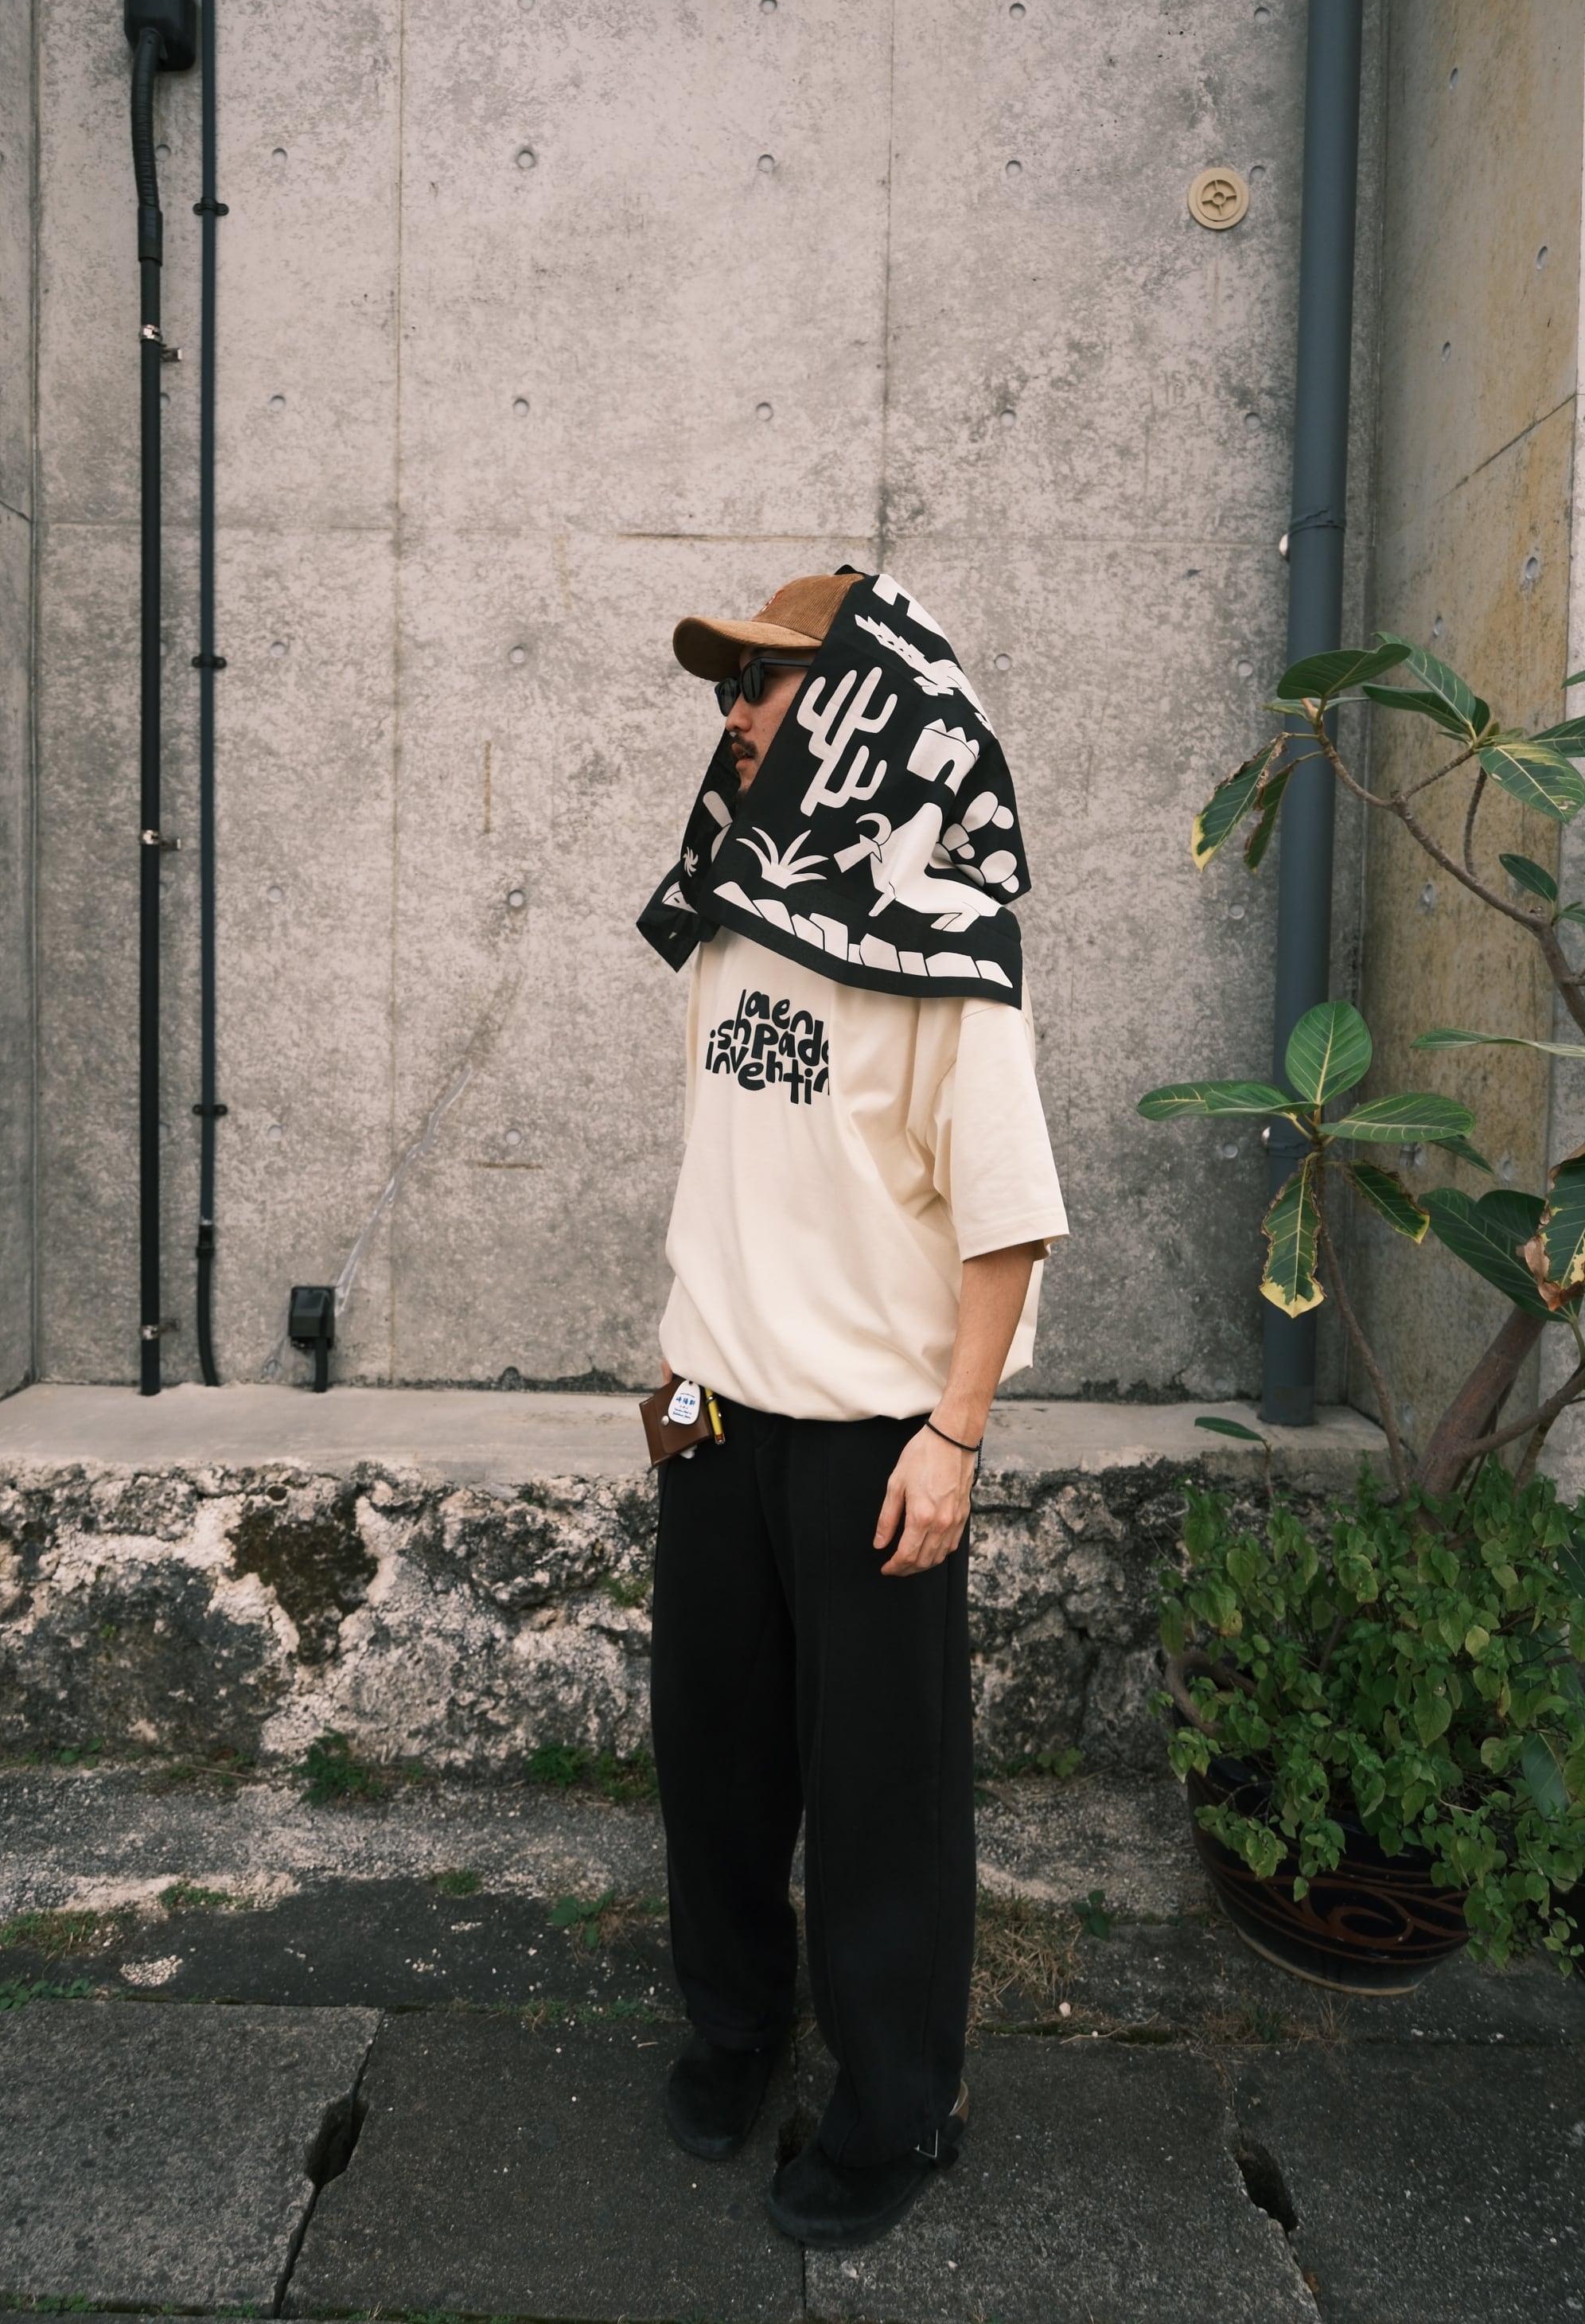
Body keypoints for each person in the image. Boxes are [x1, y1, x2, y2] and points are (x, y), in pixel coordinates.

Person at [636, 568, 1068, 2249]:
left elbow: (1006, 1219)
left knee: (882, 1797)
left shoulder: (949, 945)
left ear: (862, 711)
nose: (735, 717)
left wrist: (954, 1437)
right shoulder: (729, 915)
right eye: (727, 690)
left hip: (878, 1442)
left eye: (763, 685)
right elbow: (723, 1170)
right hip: (708, 1409)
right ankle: (737, 2033)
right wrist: (673, 1379)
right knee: (715, 1762)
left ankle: (897, 2109)